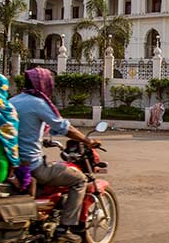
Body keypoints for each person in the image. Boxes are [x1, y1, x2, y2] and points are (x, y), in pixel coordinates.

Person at [11, 68, 102, 243]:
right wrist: (87, 140)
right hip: (33, 165)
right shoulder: (38, 103)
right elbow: (64, 128)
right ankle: (64, 227)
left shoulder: (13, 100)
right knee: (79, 180)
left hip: (13, 163)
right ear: (44, 84)